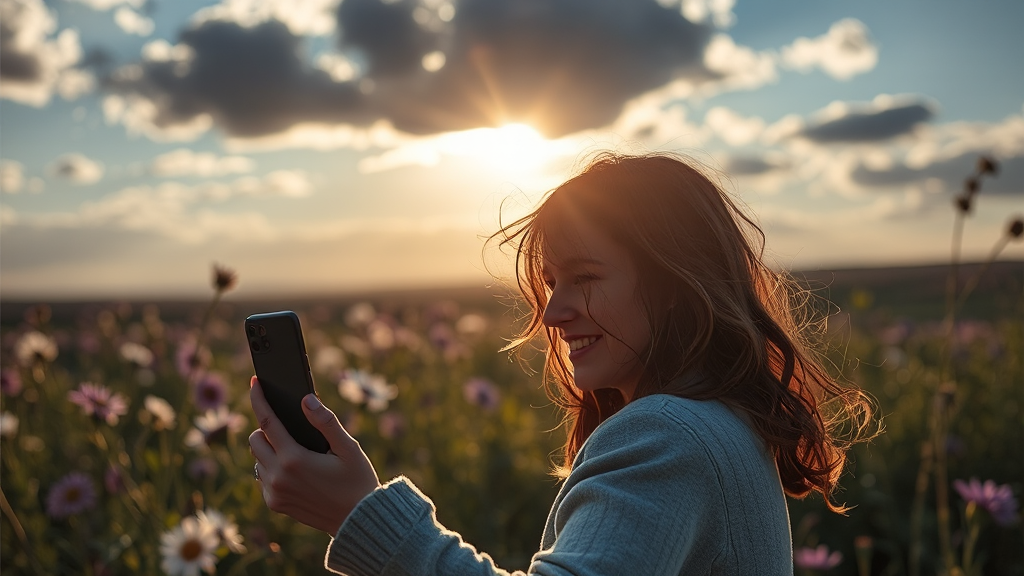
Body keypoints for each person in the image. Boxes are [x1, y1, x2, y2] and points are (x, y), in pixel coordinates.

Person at [248, 152, 874, 575]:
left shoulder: (670, 436)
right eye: (551, 281)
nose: (553, 311)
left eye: (584, 278)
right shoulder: (722, 426)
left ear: (677, 284)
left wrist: (360, 517)